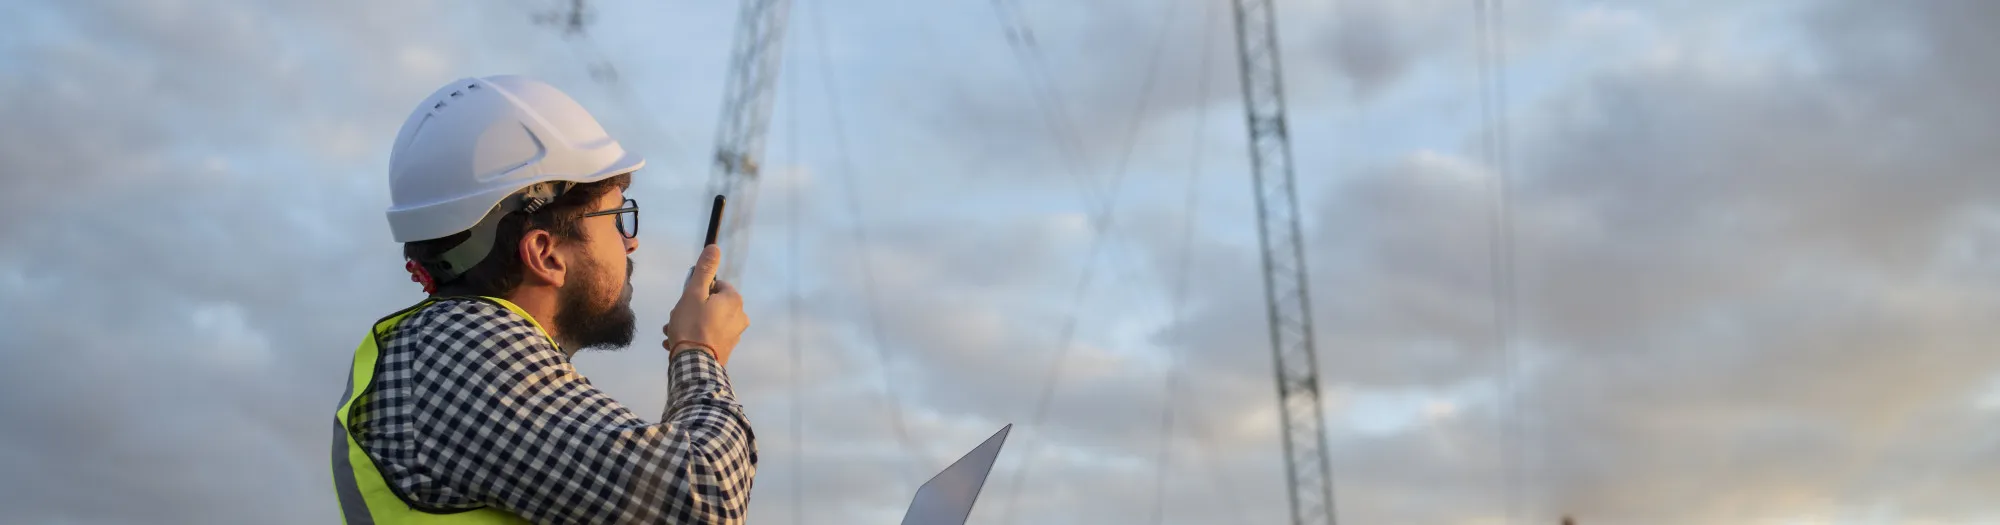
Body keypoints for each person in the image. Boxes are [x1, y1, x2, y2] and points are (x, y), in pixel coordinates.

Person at [329, 75, 757, 524]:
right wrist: (699, 350)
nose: (629, 244)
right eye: (617, 217)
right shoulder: (462, 349)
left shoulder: (450, 354)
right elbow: (706, 500)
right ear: (544, 253)